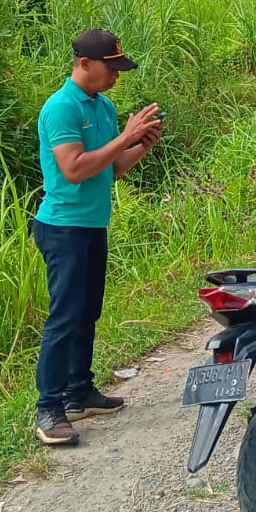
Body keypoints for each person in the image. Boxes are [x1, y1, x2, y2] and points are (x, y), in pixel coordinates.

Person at [32, 29, 163, 447]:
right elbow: (73, 168)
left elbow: (112, 168)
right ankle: (48, 409)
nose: (116, 77)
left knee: (88, 312)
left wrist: (140, 146)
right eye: (111, 68)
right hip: (63, 227)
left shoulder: (104, 107)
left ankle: (79, 392)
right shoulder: (61, 108)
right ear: (85, 64)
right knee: (65, 317)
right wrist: (124, 137)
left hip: (91, 225)